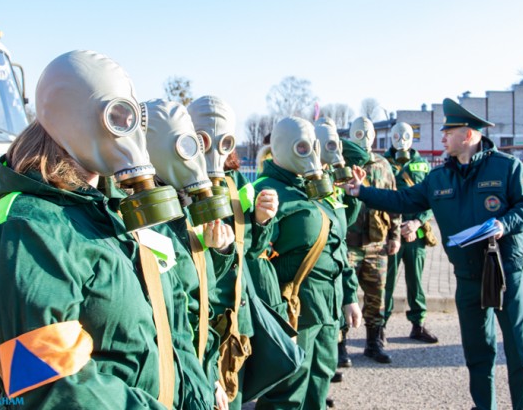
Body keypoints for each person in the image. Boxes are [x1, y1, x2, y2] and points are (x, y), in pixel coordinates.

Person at [0, 50, 213, 409]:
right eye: (118, 117)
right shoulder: (25, 230)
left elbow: (169, 324)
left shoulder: (107, 211)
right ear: (73, 120)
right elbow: (50, 386)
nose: (131, 135)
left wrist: (202, 388)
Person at [344, 98, 523, 410]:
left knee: (519, 350)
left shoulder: (506, 168)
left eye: (447, 131)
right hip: (468, 276)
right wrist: (361, 191)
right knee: (478, 352)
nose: (441, 137)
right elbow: (403, 200)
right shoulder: (439, 178)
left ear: (467, 135)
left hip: (505, 274)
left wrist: (505, 224)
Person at [254, 117, 362, 410]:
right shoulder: (263, 190)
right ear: (281, 147)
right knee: (288, 389)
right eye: (302, 146)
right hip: (292, 310)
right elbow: (252, 258)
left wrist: (349, 296)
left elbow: (338, 245)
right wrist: (273, 316)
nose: (310, 152)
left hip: (327, 307)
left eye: (312, 145)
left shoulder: (316, 188)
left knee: (320, 377)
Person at [145, 98, 239, 410]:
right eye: (188, 146)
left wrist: (222, 250)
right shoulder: (133, 216)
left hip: (196, 369)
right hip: (161, 381)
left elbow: (201, 304)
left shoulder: (183, 210)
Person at [187, 95, 280, 409]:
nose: (214, 150)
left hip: (235, 318)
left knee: (233, 399)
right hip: (197, 325)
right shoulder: (172, 187)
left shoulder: (236, 184)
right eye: (201, 140)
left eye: (223, 141)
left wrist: (261, 221)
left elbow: (248, 249)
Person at [314, 118, 363, 407]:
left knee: (322, 359)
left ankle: (318, 395)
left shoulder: (330, 185)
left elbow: (340, 237)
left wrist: (339, 154)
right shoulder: (297, 184)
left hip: (331, 288)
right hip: (304, 292)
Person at [345, 116, 401, 364]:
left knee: (376, 295)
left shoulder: (383, 165)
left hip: (376, 244)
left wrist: (395, 236)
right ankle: (338, 346)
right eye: (358, 132)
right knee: (343, 295)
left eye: (368, 133)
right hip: (348, 243)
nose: (364, 137)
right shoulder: (342, 163)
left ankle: (374, 342)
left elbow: (393, 202)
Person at [382, 121, 439, 344]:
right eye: (397, 135)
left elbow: (431, 199)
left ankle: (418, 325)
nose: (401, 139)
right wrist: (396, 228)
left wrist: (416, 223)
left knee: (415, 281)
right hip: (390, 233)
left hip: (416, 233)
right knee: (386, 283)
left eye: (405, 135)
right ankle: (379, 327)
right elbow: (378, 198)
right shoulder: (382, 163)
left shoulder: (423, 165)